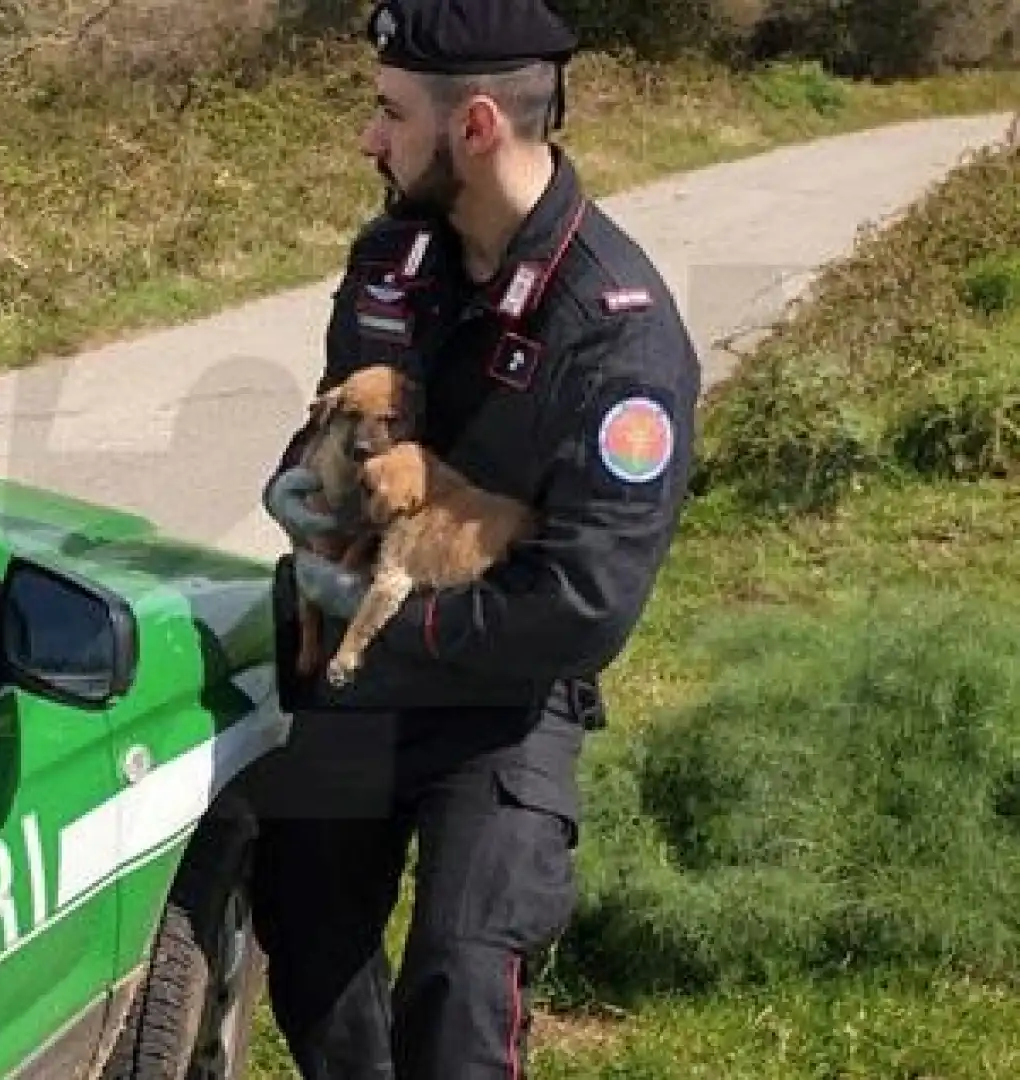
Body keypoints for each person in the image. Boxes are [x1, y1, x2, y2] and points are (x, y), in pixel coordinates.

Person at [241, 1, 702, 1077]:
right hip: (365, 671)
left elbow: (584, 606)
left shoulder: (617, 337)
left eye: (390, 114)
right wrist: (299, 485)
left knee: (457, 970)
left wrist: (383, 626)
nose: (370, 138)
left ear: (478, 126)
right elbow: (343, 428)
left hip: (503, 687)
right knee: (305, 934)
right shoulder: (392, 257)